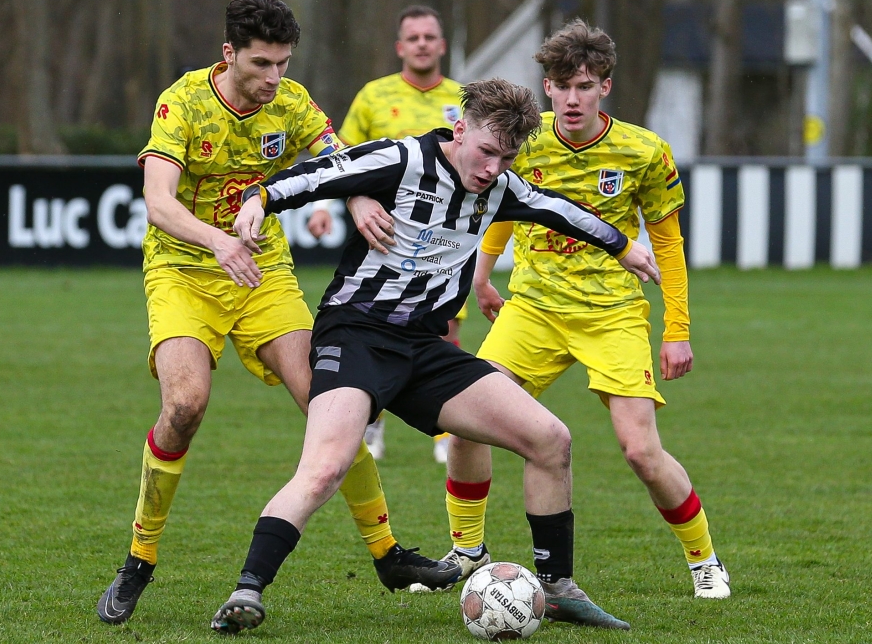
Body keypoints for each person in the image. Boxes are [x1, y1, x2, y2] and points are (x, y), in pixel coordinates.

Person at [209, 78, 661, 634]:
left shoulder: (500, 190)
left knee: (551, 439)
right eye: (487, 151)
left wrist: (623, 246)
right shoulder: (400, 159)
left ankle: (558, 587)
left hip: (424, 349)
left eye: (507, 157)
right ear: (460, 129)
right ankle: (247, 590)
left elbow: (560, 210)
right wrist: (258, 201)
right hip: (356, 335)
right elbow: (314, 176)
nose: (494, 167)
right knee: (327, 465)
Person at [96, 0, 458, 627]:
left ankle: (388, 553)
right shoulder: (182, 103)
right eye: (262, 64)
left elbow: (341, 159)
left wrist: (356, 203)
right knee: (184, 407)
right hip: (185, 270)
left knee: (333, 402)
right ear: (230, 52)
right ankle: (139, 559)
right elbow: (158, 201)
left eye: (283, 64)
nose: (273, 79)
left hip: (264, 277)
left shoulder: (290, 102)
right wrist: (218, 242)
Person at [428, 19, 730, 600]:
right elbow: (504, 207)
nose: (572, 97)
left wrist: (678, 330)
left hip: (612, 311)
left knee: (641, 449)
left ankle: (704, 561)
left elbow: (667, 245)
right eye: (561, 84)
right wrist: (483, 279)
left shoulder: (643, 150)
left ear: (605, 89)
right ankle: (468, 551)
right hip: (534, 307)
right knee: (463, 422)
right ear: (546, 87)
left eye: (585, 85)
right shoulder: (526, 139)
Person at [339, 4, 465, 464]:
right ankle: (371, 428)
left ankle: (444, 432)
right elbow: (345, 158)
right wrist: (340, 205)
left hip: (444, 238)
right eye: (413, 38)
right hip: (383, 232)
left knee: (443, 326)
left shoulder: (463, 99)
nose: (422, 44)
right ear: (400, 47)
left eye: (430, 37)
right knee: (374, 327)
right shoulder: (374, 96)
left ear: (442, 44)